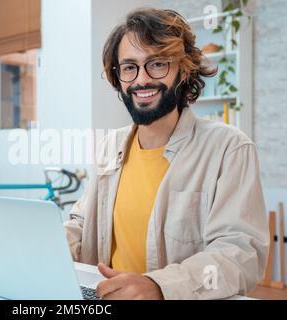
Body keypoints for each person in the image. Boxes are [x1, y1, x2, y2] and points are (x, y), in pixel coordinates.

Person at [64, 8, 269, 300]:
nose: (141, 80)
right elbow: (82, 225)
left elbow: (239, 254)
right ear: (118, 77)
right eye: (129, 67)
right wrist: (43, 247)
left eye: (157, 64)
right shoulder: (111, 145)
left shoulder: (228, 148)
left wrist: (160, 286)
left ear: (184, 70)